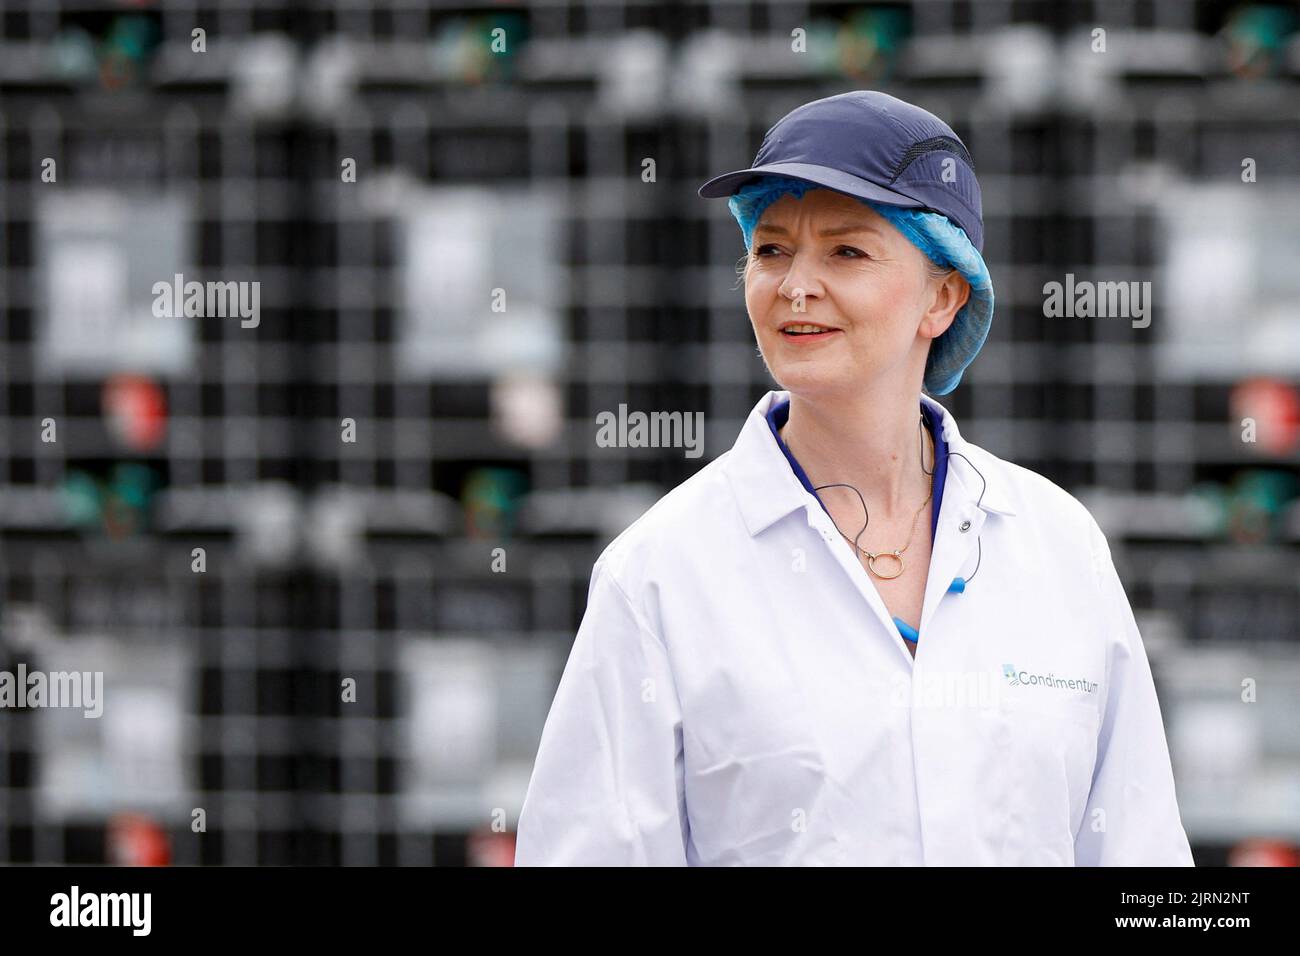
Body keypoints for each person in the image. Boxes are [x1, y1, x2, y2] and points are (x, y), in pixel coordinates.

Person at [514, 90, 1194, 866]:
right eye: (771, 250)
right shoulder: (662, 576)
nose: (796, 285)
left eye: (846, 251)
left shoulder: (1058, 546)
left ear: (943, 295)